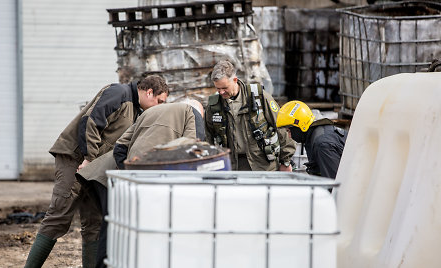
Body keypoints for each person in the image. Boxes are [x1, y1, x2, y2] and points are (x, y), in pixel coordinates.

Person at [24, 75, 169, 268]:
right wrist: (88, 159)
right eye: (159, 101)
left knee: (94, 224)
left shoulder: (136, 110)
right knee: (59, 216)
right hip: (76, 159)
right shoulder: (119, 93)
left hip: (94, 167)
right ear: (149, 92)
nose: (159, 107)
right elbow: (90, 122)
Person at [76, 99, 205, 268]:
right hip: (150, 180)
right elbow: (194, 150)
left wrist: (130, 174)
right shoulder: (191, 112)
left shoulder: (150, 112)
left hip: (123, 179)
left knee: (115, 226)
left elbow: (120, 148)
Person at [204, 60, 296, 171]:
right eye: (218, 89)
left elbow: (281, 126)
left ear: (235, 80)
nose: (221, 92)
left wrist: (286, 161)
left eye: (224, 88)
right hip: (233, 165)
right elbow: (207, 135)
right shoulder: (214, 106)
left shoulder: (259, 97)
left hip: (264, 164)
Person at [276, 100, 347, 179]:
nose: (289, 136)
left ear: (300, 126)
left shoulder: (323, 145)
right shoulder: (316, 134)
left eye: (289, 131)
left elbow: (335, 184)